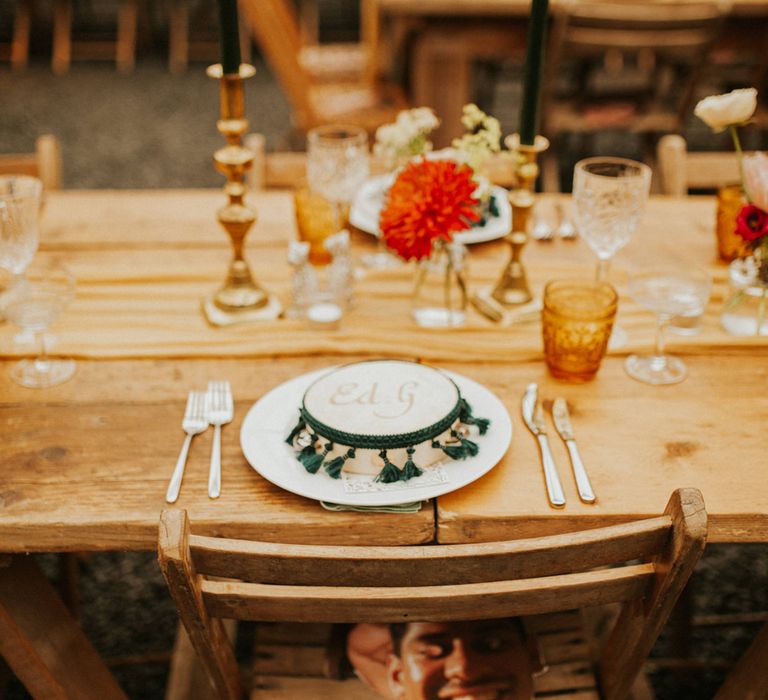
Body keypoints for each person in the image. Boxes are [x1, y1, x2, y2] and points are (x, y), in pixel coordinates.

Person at [345, 618, 543, 700]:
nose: (465, 668)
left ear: (397, 676)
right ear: (534, 654)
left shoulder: (367, 649)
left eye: (432, 652)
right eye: (493, 643)